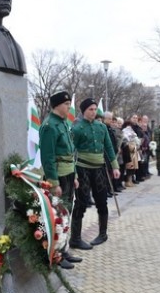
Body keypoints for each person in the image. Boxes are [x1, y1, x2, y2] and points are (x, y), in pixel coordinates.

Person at [39, 91, 82, 270]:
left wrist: (75, 176)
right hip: (57, 175)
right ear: (57, 105)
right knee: (57, 215)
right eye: (66, 104)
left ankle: (64, 250)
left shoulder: (64, 123)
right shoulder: (49, 126)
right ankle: (55, 254)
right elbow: (47, 156)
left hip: (68, 173)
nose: (69, 107)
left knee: (66, 213)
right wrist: (54, 182)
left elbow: (70, 154)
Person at [69, 98, 120, 249]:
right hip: (83, 168)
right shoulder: (77, 128)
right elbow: (71, 151)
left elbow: (109, 148)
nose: (94, 112)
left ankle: (103, 234)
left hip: (99, 169)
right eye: (90, 109)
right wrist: (74, 174)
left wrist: (115, 166)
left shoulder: (102, 127)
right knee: (82, 202)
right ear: (84, 111)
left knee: (101, 200)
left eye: (95, 109)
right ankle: (75, 238)